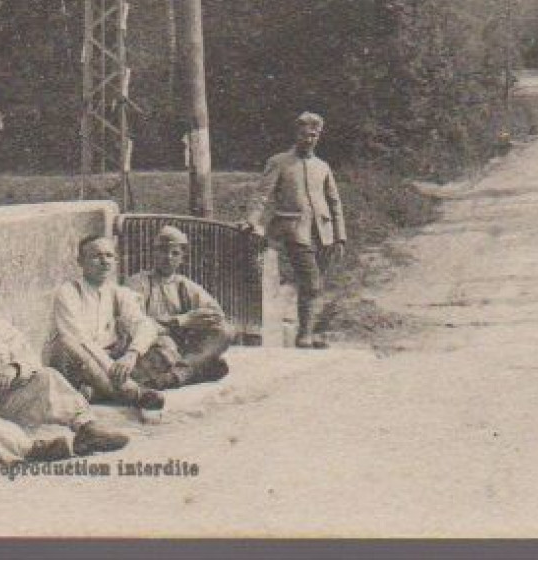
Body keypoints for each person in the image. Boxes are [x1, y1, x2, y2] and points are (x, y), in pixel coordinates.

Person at [0, 255, 128, 463]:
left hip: (3, 402)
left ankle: (87, 428)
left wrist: (13, 369)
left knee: (48, 376)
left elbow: (30, 359)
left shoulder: (1, 327)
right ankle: (30, 450)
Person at [244, 111, 347, 349]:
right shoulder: (279, 162)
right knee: (311, 282)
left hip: (323, 232)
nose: (308, 139)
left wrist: (340, 236)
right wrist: (252, 220)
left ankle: (308, 331)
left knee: (315, 282)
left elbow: (334, 203)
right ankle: (305, 336)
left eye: (313, 135)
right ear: (296, 134)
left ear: (319, 136)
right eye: (304, 134)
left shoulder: (322, 167)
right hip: (292, 229)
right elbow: (262, 194)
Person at [46, 233, 171, 414]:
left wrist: (131, 355)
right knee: (70, 344)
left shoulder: (117, 292)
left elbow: (144, 324)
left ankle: (96, 392)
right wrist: (114, 369)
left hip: (109, 358)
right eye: (97, 256)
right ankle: (133, 394)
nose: (104, 261)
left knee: (161, 347)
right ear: (80, 261)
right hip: (77, 361)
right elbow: (81, 340)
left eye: (109, 256)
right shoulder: (68, 292)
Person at [125, 225, 233, 388]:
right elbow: (133, 321)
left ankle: (177, 375)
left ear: (182, 257)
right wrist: (180, 321)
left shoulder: (184, 285)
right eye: (162, 251)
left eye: (175, 253)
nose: (168, 257)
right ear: (153, 254)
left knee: (225, 331)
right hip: (154, 343)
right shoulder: (138, 282)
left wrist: (192, 321)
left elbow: (216, 314)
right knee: (165, 352)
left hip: (183, 344)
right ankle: (196, 369)